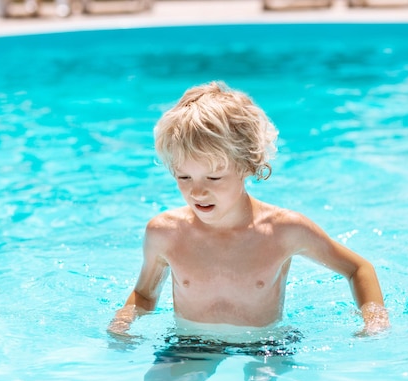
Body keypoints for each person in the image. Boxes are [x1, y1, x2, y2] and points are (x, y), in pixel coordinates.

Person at [108, 80, 389, 342]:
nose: (197, 191)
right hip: (191, 343)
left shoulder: (284, 231)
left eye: (214, 178)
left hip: (265, 344)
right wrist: (124, 319)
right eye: (183, 177)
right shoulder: (165, 233)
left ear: (246, 166)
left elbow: (357, 268)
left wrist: (374, 320)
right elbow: (145, 294)